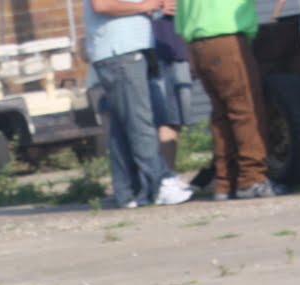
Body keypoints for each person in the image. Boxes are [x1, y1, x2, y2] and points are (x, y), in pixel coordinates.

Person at [87, 0, 196, 208]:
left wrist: (156, 7)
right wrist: (144, 7)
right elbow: (102, 5)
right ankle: (160, 183)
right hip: (120, 54)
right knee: (141, 123)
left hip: (132, 52)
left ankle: (129, 191)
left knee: (123, 126)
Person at [177, 0, 280, 198]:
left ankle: (225, 182)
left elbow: (181, 17)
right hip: (226, 39)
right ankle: (251, 179)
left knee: (221, 114)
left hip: (198, 43)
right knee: (245, 110)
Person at [149, 6, 196, 172]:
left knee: (177, 120)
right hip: (154, 54)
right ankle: (163, 175)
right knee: (163, 119)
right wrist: (156, 9)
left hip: (180, 50)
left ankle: (168, 173)